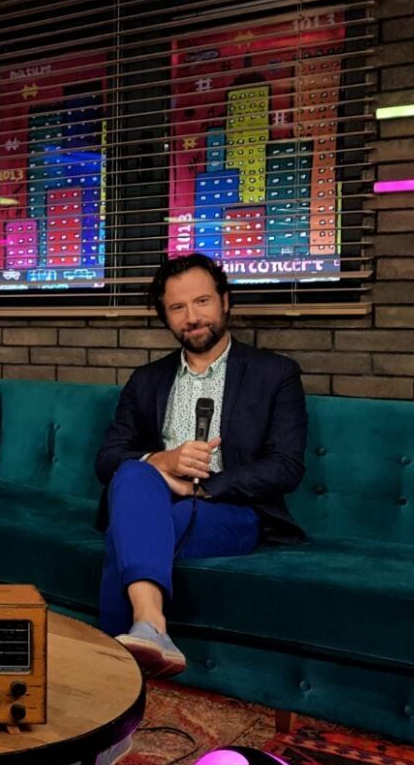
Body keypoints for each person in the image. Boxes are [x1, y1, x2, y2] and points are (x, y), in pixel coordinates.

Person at [95, 253, 308, 678]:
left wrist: (201, 487)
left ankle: (111, 672)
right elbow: (108, 459)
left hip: (233, 510)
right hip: (152, 499)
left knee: (129, 533)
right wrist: (163, 461)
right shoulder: (146, 380)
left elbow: (286, 466)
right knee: (134, 472)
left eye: (202, 301)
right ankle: (150, 626)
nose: (192, 317)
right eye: (177, 307)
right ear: (165, 316)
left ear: (225, 301)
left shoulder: (275, 373)